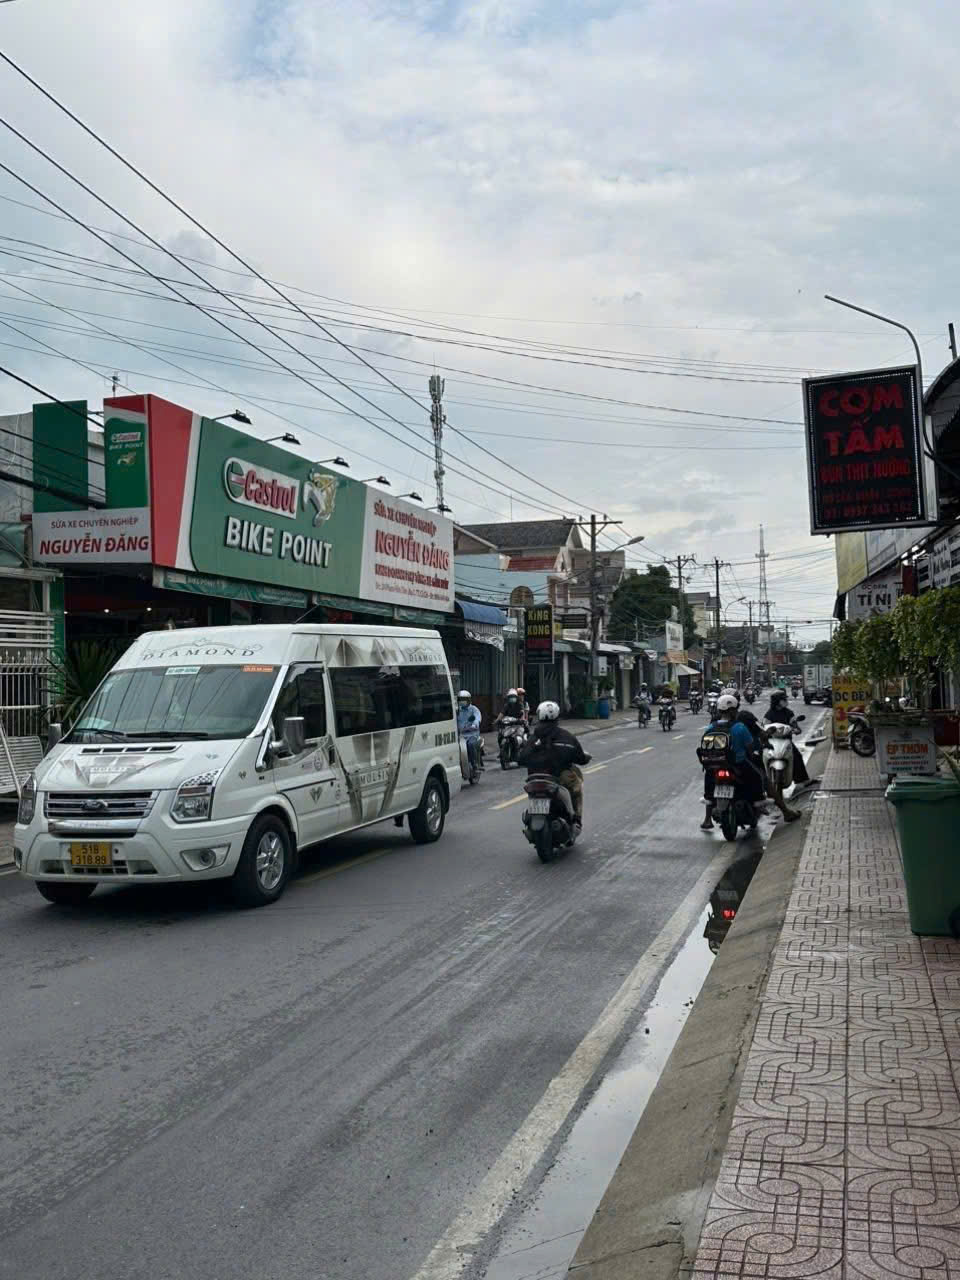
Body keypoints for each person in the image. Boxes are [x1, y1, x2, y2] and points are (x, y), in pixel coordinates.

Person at [700, 693, 765, 830]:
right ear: (733, 711)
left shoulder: (711, 727)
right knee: (757, 776)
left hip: (716, 765)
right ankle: (758, 804)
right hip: (738, 765)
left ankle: (707, 819)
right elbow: (750, 747)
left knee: (709, 783)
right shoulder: (740, 727)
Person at [519, 700, 590, 824]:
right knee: (576, 786)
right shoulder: (566, 736)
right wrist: (585, 758)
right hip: (558, 776)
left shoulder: (533, 737)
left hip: (534, 777)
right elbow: (580, 758)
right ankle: (577, 819)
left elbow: (521, 759)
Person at [764, 690, 817, 788]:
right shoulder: (769, 715)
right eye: (783, 699)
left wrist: (796, 729)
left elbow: (795, 726)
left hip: (786, 741)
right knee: (761, 757)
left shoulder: (789, 713)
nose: (786, 701)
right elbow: (765, 727)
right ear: (777, 701)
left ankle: (803, 780)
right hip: (772, 741)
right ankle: (762, 782)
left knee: (797, 756)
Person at [456, 690, 483, 773]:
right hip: (460, 735)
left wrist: (474, 725)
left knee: (470, 745)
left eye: (464, 699)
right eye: (460, 699)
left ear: (468, 700)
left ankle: (475, 765)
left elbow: (477, 718)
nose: (462, 701)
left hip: (472, 734)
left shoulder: (474, 709)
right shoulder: (457, 711)